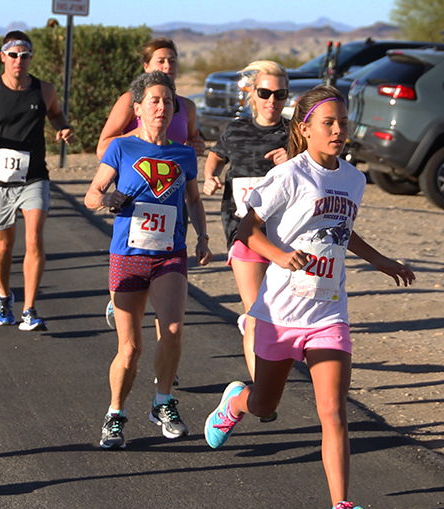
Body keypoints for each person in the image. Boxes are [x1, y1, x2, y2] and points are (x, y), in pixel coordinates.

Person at [203, 85, 416, 509]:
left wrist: (381, 261)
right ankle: (236, 401)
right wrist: (278, 257)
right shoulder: (288, 177)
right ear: (305, 128)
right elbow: (246, 233)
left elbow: (343, 230)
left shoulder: (354, 180)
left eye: (343, 122)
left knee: (333, 411)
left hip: (328, 312)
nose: (339, 130)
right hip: (280, 313)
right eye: (328, 123)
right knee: (266, 407)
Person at [84, 71, 211, 447]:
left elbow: (193, 200)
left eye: (167, 101)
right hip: (128, 255)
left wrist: (203, 236)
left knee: (171, 331)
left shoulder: (184, 153)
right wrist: (107, 199)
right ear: (138, 108)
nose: (161, 106)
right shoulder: (121, 149)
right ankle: (115, 413)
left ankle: (163, 400)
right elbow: (92, 195)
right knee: (130, 348)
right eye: (154, 100)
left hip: (170, 254)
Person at [0, 31, 75, 331]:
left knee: (34, 238)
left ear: (31, 58)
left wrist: (64, 129)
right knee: (3, 245)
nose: (19, 60)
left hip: (34, 176)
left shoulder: (44, 90)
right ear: (2, 57)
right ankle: (4, 295)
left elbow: (57, 115)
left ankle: (30, 308)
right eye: (13, 55)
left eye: (24, 55)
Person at [98, 37, 206, 337]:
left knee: (169, 312)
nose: (168, 65)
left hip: (172, 194)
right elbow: (104, 145)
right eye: (161, 60)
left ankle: (166, 360)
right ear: (146, 67)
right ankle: (122, 301)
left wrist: (192, 147)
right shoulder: (129, 101)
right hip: (139, 197)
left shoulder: (186, 105)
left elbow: (194, 141)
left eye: (172, 60)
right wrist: (141, 141)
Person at [202, 60, 291, 413]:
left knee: (277, 311)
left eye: (280, 94)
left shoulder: (295, 133)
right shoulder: (235, 129)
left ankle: (259, 344)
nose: (272, 100)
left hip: (285, 235)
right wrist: (210, 177)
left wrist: (295, 156)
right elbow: (216, 155)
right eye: (266, 93)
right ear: (252, 94)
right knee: (257, 311)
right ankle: (260, 393)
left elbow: (319, 168)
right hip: (243, 229)